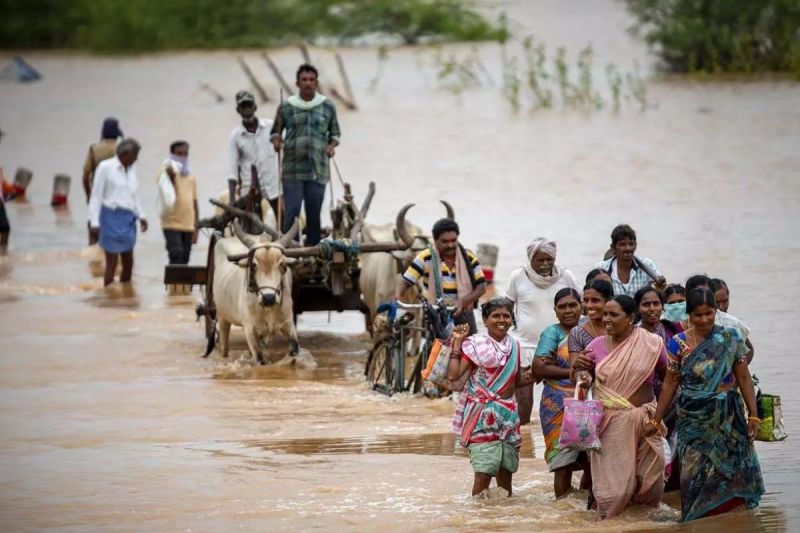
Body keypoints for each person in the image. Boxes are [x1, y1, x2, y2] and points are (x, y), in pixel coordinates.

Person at [649, 287, 764, 522]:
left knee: (732, 471)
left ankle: (735, 521)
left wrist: (753, 415)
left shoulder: (731, 337)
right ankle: (697, 519)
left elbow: (743, 377)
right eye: (698, 315)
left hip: (728, 419)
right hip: (693, 419)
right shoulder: (678, 343)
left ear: (715, 312)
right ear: (689, 315)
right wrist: (657, 419)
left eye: (709, 313)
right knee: (693, 473)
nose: (704, 320)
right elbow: (670, 383)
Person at [572, 295, 668, 520]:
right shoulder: (595, 345)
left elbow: (669, 380)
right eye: (605, 314)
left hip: (646, 420)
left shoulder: (651, 343)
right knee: (614, 491)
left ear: (631, 318)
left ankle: (642, 524)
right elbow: (581, 374)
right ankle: (608, 524)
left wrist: (658, 417)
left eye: (613, 315)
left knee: (650, 481)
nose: (606, 319)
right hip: (610, 423)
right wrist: (580, 372)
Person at [447, 297, 533, 498]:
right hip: (481, 415)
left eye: (506, 316)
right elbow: (453, 375)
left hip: (508, 416)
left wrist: (534, 373)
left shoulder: (515, 345)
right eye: (496, 316)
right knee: (483, 473)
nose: (501, 320)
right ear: (485, 320)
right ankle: (479, 514)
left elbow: (515, 380)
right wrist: (457, 342)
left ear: (512, 319)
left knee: (506, 470)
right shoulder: (475, 345)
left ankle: (503, 514)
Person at [506, 237, 581, 425]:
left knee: (562, 395)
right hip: (525, 346)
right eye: (540, 260)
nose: (546, 263)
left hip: (558, 346)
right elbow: (506, 308)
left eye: (550, 259)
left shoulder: (566, 276)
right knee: (523, 402)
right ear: (530, 259)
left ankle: (562, 430)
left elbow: (582, 304)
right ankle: (524, 438)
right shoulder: (518, 276)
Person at [271, 64, 341, 246]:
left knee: (314, 213)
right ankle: (290, 250)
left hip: (318, 169)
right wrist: (277, 142)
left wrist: (331, 146)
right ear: (297, 83)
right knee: (292, 211)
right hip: (292, 169)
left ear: (316, 83)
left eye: (311, 80)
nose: (308, 83)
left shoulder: (327, 106)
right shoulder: (287, 106)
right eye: (304, 80)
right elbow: (275, 132)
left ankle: (313, 252)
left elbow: (335, 134)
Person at [532, 288, 590, 498]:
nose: (568, 310)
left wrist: (558, 367)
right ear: (555, 311)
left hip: (587, 402)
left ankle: (584, 507)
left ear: (581, 306)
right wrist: (575, 372)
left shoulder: (589, 329)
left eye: (572, 305)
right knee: (562, 462)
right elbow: (538, 368)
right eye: (562, 307)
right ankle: (562, 507)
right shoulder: (552, 333)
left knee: (591, 460)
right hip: (557, 405)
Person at [395, 218, 486, 334]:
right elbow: (406, 281)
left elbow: (481, 287)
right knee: (435, 344)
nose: (450, 245)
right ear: (436, 241)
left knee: (470, 344)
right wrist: (397, 296)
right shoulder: (425, 257)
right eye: (445, 242)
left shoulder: (468, 257)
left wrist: (463, 302)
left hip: (463, 312)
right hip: (434, 312)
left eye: (453, 240)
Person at [88, 138, 148, 286]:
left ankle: (126, 292)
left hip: (128, 219)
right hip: (110, 217)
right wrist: (94, 223)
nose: (136, 160)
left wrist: (141, 215)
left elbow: (134, 195)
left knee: (128, 261)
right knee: (112, 261)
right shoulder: (105, 167)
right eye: (135, 155)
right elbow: (96, 196)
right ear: (125, 154)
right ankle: (108, 293)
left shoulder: (132, 169)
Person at [229, 90, 280, 222]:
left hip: (274, 187)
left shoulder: (271, 127)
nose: (247, 109)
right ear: (238, 110)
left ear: (255, 107)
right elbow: (232, 170)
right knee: (250, 225)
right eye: (243, 106)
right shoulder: (235, 136)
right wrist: (232, 199)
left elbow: (286, 148)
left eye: (249, 105)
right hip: (249, 189)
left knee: (283, 220)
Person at [683, 275, 754, 363]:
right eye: (697, 294)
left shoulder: (731, 327)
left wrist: (732, 369)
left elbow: (747, 351)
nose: (721, 306)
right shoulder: (677, 332)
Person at [82, 117, 123, 244]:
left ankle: (94, 255)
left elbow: (85, 175)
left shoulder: (94, 149)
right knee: (116, 239)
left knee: (94, 234)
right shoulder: (122, 150)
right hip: (117, 199)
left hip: (98, 197)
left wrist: (89, 196)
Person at [595, 224, 666, 297]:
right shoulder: (601, 268)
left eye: (631, 244)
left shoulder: (647, 265)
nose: (628, 248)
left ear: (635, 245)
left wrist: (660, 287)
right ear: (613, 247)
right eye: (622, 244)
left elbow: (660, 289)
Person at [159, 140, 198, 265]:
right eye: (179, 154)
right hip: (171, 223)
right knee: (176, 254)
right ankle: (172, 279)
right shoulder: (164, 173)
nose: (182, 157)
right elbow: (165, 190)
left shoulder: (191, 177)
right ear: (172, 154)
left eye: (185, 154)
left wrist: (196, 227)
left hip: (188, 225)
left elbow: (195, 203)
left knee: (185, 259)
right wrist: (171, 176)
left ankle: (181, 280)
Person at [568, 279, 613, 362]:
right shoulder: (578, 333)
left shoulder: (621, 328)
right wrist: (580, 364)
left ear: (608, 301)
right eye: (585, 300)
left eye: (595, 300)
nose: (589, 305)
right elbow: (574, 366)